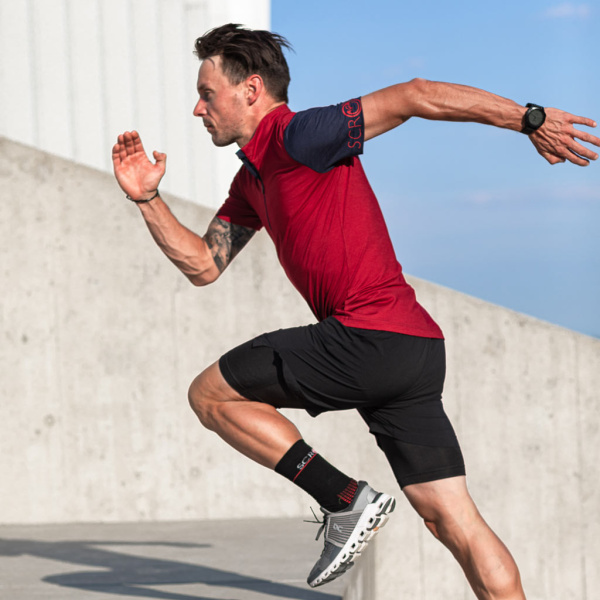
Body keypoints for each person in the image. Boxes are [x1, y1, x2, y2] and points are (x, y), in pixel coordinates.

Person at [112, 23, 599, 598]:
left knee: (210, 395)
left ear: (251, 89)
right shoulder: (253, 179)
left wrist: (529, 118)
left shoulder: (301, 135)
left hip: (368, 337)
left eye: (207, 92)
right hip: (411, 348)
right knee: (453, 519)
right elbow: (203, 264)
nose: (198, 108)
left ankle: (345, 499)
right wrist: (147, 198)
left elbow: (414, 94)